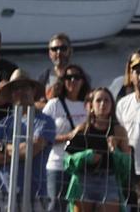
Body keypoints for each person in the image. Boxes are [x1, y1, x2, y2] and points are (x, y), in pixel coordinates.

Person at [0, 74, 54, 209]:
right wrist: (17, 151)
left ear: (33, 91)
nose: (20, 92)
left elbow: (29, 151)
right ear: (11, 95)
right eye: (15, 89)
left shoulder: (45, 122)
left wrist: (2, 147)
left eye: (24, 87)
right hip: (4, 194)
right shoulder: (4, 123)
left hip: (35, 194)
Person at [60, 86, 129, 212]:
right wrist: (85, 156)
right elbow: (67, 161)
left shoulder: (119, 131)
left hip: (109, 179)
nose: (102, 104)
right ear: (91, 105)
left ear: (112, 105)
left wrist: (116, 151)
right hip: (84, 180)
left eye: (106, 100)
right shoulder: (83, 129)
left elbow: (127, 165)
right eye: (98, 100)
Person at [42, 62, 91, 208]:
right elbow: (42, 136)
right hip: (58, 164)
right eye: (68, 77)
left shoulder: (89, 106)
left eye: (77, 77)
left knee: (77, 207)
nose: (73, 81)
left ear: (83, 81)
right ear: (62, 81)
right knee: (55, 206)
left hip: (81, 166)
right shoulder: (54, 105)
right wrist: (69, 136)